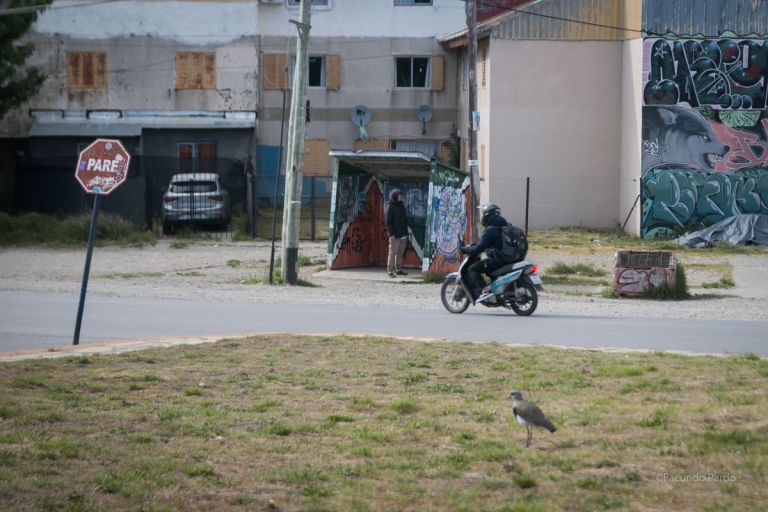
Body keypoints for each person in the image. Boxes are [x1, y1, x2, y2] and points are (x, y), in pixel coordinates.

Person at [461, 203, 520, 299]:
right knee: (488, 270)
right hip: (509, 258)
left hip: (499, 259)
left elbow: (479, 248)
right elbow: (484, 244)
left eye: (483, 214)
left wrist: (467, 249)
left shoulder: (491, 230)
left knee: (473, 268)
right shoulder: (504, 226)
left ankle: (484, 291)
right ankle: (496, 291)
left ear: (487, 215)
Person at [386, 188, 409, 278]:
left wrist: (406, 232)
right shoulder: (390, 206)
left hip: (403, 234)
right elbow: (388, 222)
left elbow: (404, 219)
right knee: (392, 253)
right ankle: (390, 271)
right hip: (395, 235)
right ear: (395, 196)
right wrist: (391, 234)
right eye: (399, 195)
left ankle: (398, 269)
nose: (401, 197)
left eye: (401, 195)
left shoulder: (402, 206)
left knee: (400, 253)